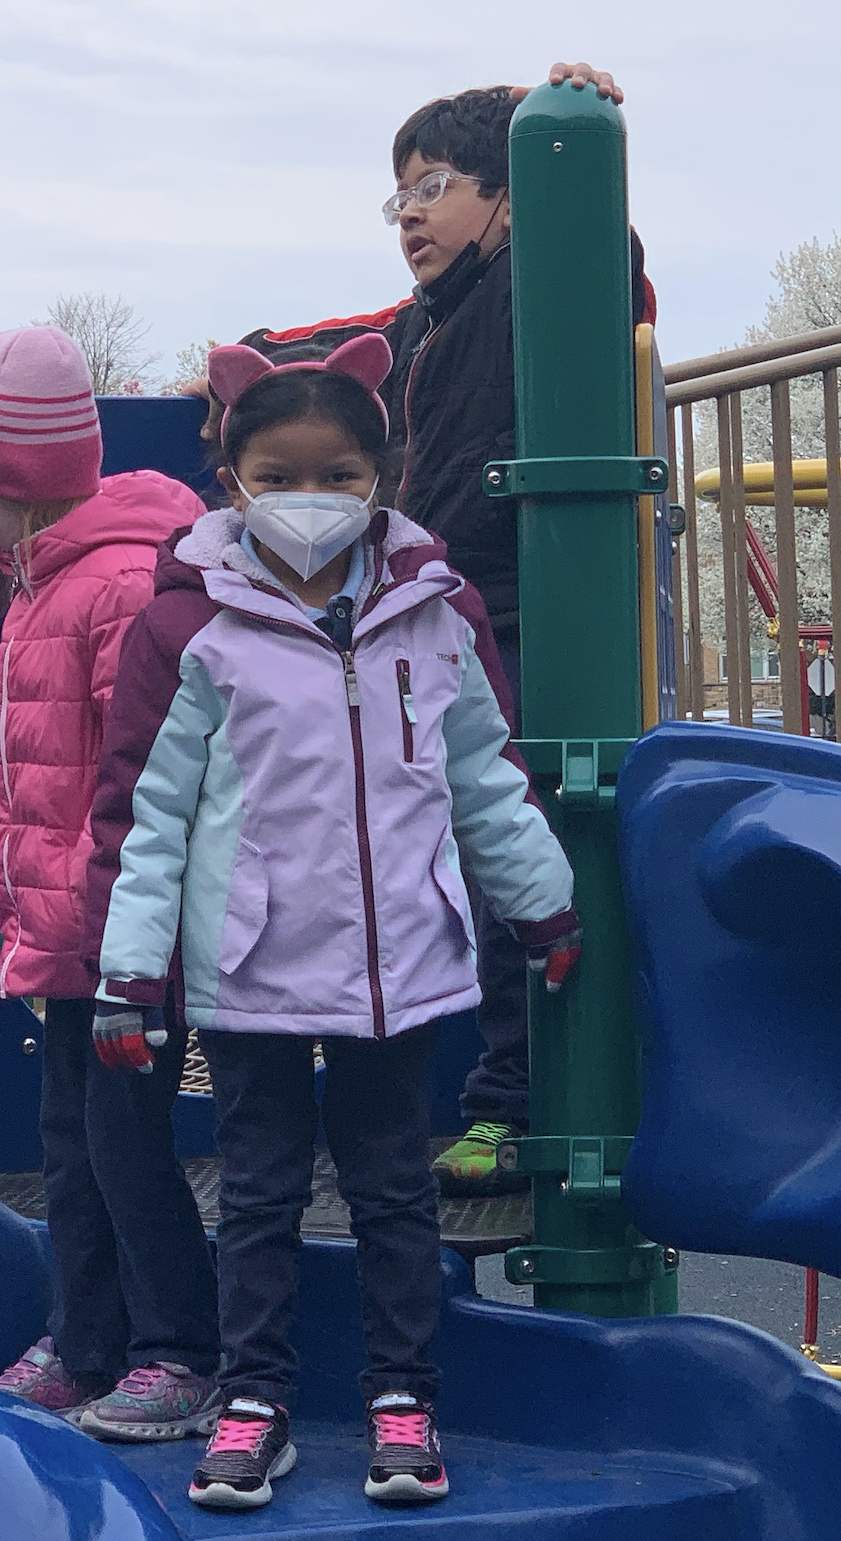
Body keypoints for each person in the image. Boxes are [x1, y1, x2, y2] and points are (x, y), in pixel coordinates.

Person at [86, 337, 581, 1510]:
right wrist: (127, 974)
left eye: (339, 475)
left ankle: (402, 1395)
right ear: (232, 478)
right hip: (254, 967)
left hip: (395, 965)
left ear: (381, 476)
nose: (311, 498)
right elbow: (146, 813)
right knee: (256, 1189)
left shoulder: (436, 610)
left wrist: (543, 904)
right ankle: (253, 1397)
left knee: (394, 1189)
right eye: (279, 473)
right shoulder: (189, 628)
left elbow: (485, 776)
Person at [216, 65, 651, 1196]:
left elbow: (612, 257)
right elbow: (331, 340)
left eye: (437, 185)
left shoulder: (531, 281)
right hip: (449, 611)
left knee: (514, 847)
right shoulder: (423, 325)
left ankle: (515, 1103)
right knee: (455, 845)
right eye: (396, 194)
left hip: (532, 604)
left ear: (509, 199)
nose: (409, 211)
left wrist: (562, 120)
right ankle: (482, 1085)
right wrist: (250, 356)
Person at [0, 327, 223, 1440]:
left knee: (127, 1140)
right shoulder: (38, 582)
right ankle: (87, 1336)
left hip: (123, 935)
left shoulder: (114, 585)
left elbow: (145, 760)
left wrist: (130, 936)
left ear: (16, 484)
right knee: (72, 1138)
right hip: (67, 934)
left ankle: (178, 1347)